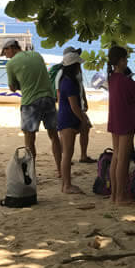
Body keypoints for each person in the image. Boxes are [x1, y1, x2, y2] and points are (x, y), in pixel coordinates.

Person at [3, 38, 61, 176]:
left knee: (29, 139)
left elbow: (12, 87)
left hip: (30, 102)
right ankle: (60, 170)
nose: (6, 55)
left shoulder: (10, 64)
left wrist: (19, 85)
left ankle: (31, 173)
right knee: (54, 136)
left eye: (5, 52)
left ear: (11, 48)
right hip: (48, 97)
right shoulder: (36, 55)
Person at [106, 46, 135, 205]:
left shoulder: (111, 79)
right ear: (121, 61)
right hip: (126, 121)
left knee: (116, 157)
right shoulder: (126, 80)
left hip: (114, 119)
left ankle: (114, 195)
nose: (127, 61)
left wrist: (131, 98)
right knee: (123, 160)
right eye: (126, 59)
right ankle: (120, 196)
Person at [55, 46, 95, 164]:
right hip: (68, 109)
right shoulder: (62, 74)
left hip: (77, 105)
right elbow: (59, 92)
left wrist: (84, 100)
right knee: (66, 135)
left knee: (85, 128)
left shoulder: (76, 72)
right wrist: (62, 108)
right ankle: (64, 158)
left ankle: (83, 155)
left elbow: (80, 86)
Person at [56, 51, 87, 194]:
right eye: (78, 65)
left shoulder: (65, 80)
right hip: (67, 120)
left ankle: (65, 184)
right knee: (67, 154)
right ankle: (67, 185)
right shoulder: (69, 83)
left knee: (67, 153)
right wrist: (83, 120)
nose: (80, 68)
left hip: (66, 118)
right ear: (74, 66)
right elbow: (74, 106)